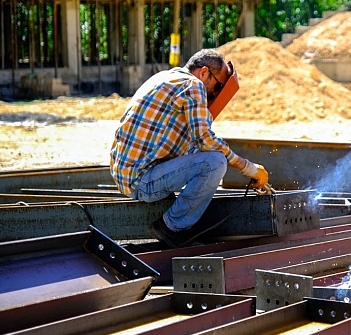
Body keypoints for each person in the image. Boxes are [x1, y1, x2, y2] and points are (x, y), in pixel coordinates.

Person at [110, 48, 268, 248]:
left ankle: (177, 221)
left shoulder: (166, 77)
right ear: (203, 73)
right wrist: (248, 167)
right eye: (218, 86)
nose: (215, 93)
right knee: (214, 163)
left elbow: (192, 142)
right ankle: (171, 228)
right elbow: (204, 138)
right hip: (141, 180)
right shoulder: (193, 85)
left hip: (128, 175)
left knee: (207, 156)